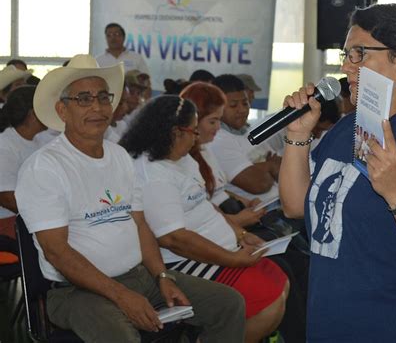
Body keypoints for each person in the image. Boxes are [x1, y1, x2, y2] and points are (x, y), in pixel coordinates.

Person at [15, 54, 246, 343]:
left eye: (103, 97)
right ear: (62, 110)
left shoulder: (119, 156)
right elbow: (57, 253)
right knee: (122, 337)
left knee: (228, 304)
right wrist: (122, 296)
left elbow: (140, 226)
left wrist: (162, 277)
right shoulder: (45, 167)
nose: (98, 107)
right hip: (75, 291)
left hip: (139, 276)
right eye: (84, 99)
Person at [279, 3, 396, 342]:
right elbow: (296, 207)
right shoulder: (344, 129)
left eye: (359, 54)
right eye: (346, 54)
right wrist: (297, 136)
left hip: (394, 327)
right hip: (329, 323)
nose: (345, 66)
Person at [119, 95, 289, 343]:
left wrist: (240, 234)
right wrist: (232, 259)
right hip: (183, 260)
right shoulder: (153, 175)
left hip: (219, 248)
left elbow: (204, 204)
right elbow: (174, 239)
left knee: (279, 280)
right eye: (193, 131)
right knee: (268, 303)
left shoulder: (183, 158)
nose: (197, 137)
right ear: (176, 133)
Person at [180, 81, 308, 342]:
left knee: (297, 260)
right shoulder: (177, 161)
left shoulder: (203, 150)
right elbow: (188, 221)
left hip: (232, 227)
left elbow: (217, 192)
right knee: (284, 267)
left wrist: (241, 209)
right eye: (212, 122)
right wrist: (239, 224)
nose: (217, 129)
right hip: (205, 244)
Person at [0, 85, 45, 238]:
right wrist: (43, 217)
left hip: (32, 219)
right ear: (32, 114)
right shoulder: (5, 145)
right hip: (9, 224)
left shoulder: (40, 140)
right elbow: (7, 198)